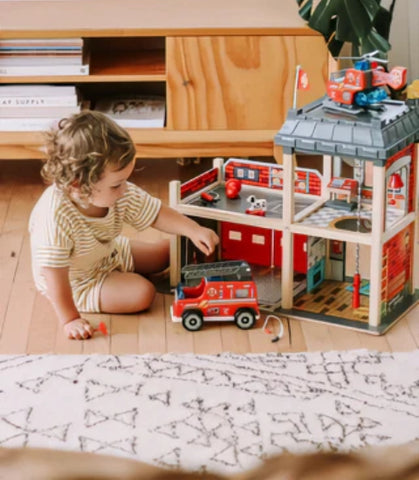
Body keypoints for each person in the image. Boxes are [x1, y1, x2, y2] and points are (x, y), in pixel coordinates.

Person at [29, 111, 219, 340]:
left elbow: (156, 213)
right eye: (117, 184)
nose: (125, 189)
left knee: (168, 252)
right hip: (77, 282)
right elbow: (54, 273)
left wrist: (193, 230)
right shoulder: (54, 216)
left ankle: (124, 274)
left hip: (106, 253)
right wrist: (70, 318)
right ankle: (119, 283)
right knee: (143, 293)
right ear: (79, 185)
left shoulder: (116, 192)